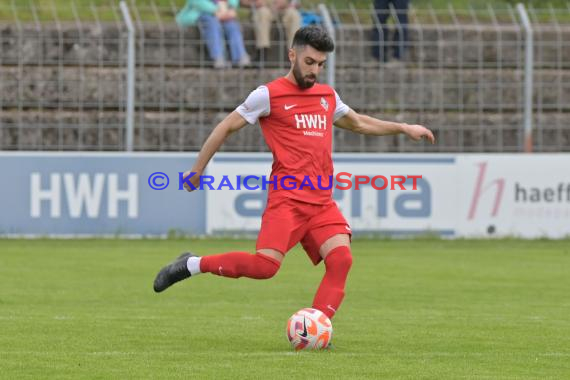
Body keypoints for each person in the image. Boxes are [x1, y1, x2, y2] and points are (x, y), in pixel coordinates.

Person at [153, 26, 434, 327]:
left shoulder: (327, 96)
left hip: (321, 202)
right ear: (292, 55)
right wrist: (197, 171)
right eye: (309, 62)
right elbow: (226, 127)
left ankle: (316, 326)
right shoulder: (268, 95)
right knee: (265, 267)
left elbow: (360, 124)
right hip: (287, 200)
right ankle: (192, 264)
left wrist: (403, 127)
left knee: (341, 261)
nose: (315, 70)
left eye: (321, 64)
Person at [176, 0, 251, 68]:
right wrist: (216, 11)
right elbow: (196, 2)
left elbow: (233, 2)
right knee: (212, 24)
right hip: (201, 12)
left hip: (224, 12)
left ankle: (240, 56)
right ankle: (218, 57)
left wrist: (230, 9)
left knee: (232, 26)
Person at [240, 0, 301, 64]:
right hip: (264, 10)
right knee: (263, 12)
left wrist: (289, 4)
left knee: (294, 14)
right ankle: (262, 52)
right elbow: (242, 2)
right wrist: (255, 3)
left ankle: (294, 53)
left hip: (283, 11)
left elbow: (297, 3)